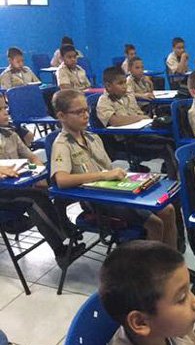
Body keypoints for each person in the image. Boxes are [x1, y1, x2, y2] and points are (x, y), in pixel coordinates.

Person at [50, 89, 179, 249]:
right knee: (155, 223)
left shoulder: (92, 137)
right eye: (78, 112)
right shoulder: (62, 144)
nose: (85, 115)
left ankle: (172, 261)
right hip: (97, 200)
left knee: (168, 209)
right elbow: (61, 180)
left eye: (86, 110)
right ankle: (152, 269)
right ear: (62, 116)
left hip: (113, 190)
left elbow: (108, 169)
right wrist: (103, 176)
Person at [0, 99, 75, 265]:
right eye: (0, 109)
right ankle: (61, 249)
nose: (6, 112)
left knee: (55, 182)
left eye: (5, 107)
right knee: (34, 199)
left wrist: (39, 173)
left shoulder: (10, 133)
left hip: (16, 185)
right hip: (3, 193)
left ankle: (65, 224)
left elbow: (32, 156)